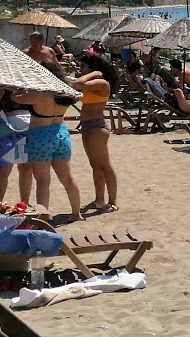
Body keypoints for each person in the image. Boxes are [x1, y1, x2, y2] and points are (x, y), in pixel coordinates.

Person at [18, 85, 83, 220]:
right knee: (68, 178)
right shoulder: (65, 93)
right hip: (61, 132)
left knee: (42, 181)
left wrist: (20, 89)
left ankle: (44, 216)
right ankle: (76, 213)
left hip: (40, 135)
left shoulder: (40, 94)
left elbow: (16, 98)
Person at [70, 53, 119, 213]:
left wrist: (95, 73)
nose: (81, 69)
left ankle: (112, 201)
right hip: (88, 126)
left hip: (97, 127)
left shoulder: (101, 82)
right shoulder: (91, 84)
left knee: (104, 165)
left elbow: (77, 83)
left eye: (84, 67)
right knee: (95, 166)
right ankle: (99, 200)